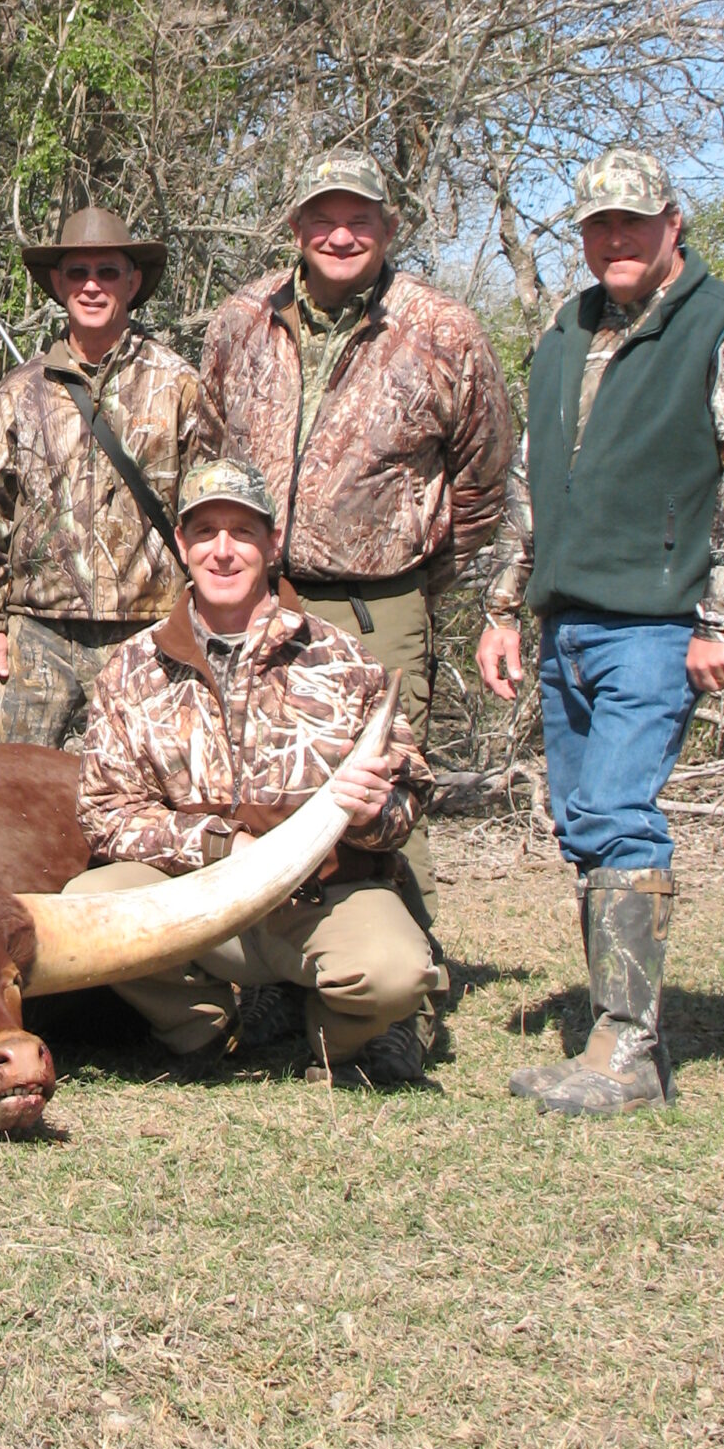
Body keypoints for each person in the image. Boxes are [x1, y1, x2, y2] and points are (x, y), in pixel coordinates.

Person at [477, 146, 724, 1117]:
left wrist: (719, 617)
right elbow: (532, 479)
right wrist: (502, 603)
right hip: (568, 618)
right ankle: (609, 1039)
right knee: (582, 823)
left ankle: (629, 1051)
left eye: (632, 222)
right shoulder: (568, 331)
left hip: (658, 624)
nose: (614, 239)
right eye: (598, 225)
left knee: (617, 811)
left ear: (673, 223)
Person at [197, 147, 513, 1056]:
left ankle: (399, 1005)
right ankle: (264, 977)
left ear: (388, 226)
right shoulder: (242, 318)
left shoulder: (442, 328)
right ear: (295, 225)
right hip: (256, 592)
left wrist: (417, 572)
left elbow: (484, 473)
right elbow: (213, 445)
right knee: (251, 777)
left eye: (360, 218)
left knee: (385, 786)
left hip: (381, 603)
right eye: (323, 217)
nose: (341, 234)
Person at [64, 458, 442, 1082]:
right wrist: (220, 844)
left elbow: (406, 793)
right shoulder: (132, 669)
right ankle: (206, 1029)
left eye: (242, 533)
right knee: (88, 907)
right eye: (205, 532)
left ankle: (334, 1038)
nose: (223, 551)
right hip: (200, 904)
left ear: (272, 544)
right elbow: (105, 812)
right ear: (182, 546)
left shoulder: (342, 659)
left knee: (394, 973)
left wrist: (376, 813)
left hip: (320, 898)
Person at [0, 205, 202, 748]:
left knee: (148, 794)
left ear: (133, 281)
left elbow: (212, 516)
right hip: (34, 635)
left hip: (150, 634)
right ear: (58, 283)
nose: (92, 286)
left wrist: (205, 618)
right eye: (78, 273)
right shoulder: (19, 392)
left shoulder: (179, 386)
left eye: (108, 272)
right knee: (8, 797)